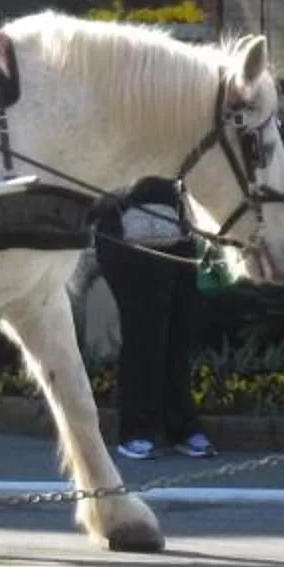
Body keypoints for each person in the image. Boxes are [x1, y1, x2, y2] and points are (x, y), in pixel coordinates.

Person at [90, 175, 216, 463]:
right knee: (143, 332)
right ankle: (137, 429)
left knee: (179, 332)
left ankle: (182, 427)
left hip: (178, 230)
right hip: (124, 230)